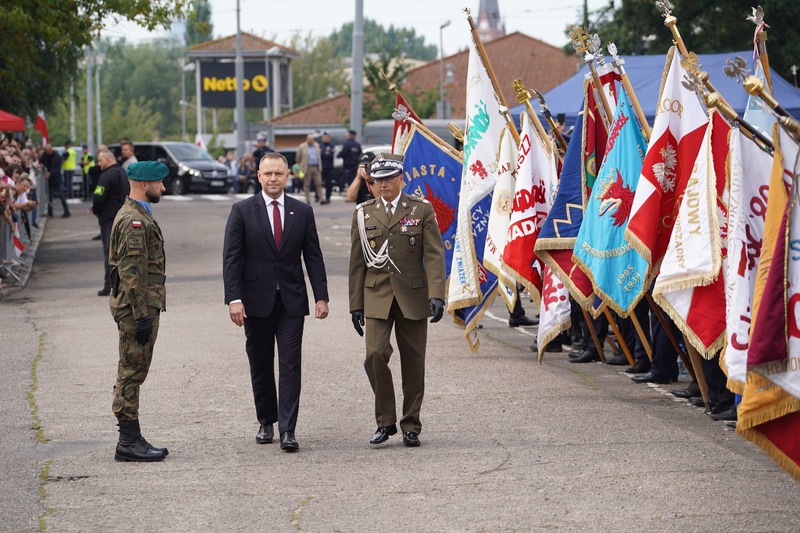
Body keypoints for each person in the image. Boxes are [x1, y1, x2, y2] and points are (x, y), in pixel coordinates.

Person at [223, 152, 329, 452]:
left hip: (292, 301)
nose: (273, 179)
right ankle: (266, 420)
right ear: (258, 176)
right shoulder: (242, 211)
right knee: (260, 362)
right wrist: (234, 298)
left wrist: (321, 295)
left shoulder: (302, 211)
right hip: (255, 302)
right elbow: (232, 259)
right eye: (268, 173)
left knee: (290, 364)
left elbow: (313, 257)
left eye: (278, 174)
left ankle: (288, 429)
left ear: (287, 176)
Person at [348, 154, 446, 447]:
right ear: (373, 183)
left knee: (414, 361)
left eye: (389, 179)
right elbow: (356, 263)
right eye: (378, 180)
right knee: (374, 355)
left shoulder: (420, 209)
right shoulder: (363, 213)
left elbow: (434, 255)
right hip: (376, 292)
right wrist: (355, 305)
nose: (384, 185)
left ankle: (411, 425)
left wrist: (437, 295)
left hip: (413, 293)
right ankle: (385, 421)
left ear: (401, 178)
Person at [108, 160, 169, 462]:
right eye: (160, 183)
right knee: (132, 371)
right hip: (137, 307)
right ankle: (128, 441)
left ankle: (131, 437)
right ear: (145, 184)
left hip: (140, 305)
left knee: (133, 370)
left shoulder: (137, 215)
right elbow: (132, 272)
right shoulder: (134, 221)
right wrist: (141, 313)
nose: (164, 188)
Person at [93, 150, 130, 296]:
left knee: (109, 252)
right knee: (123, 252)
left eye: (100, 161)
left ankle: (109, 285)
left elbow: (98, 196)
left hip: (109, 219)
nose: (98, 164)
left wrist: (96, 210)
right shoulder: (124, 173)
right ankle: (123, 284)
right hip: (124, 217)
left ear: (107, 159)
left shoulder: (106, 176)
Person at [40, 144, 70, 218]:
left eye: (47, 151)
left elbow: (57, 168)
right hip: (49, 179)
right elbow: (41, 161)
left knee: (61, 194)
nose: (47, 153)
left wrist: (50, 173)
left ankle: (66, 211)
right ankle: (50, 212)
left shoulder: (57, 156)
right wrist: (42, 165)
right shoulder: (45, 154)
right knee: (49, 196)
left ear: (51, 150)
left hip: (56, 178)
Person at [296, 134, 324, 205]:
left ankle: (321, 198)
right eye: (309, 139)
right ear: (307, 139)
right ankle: (308, 200)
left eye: (312, 139)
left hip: (316, 167)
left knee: (319, 183)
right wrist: (300, 169)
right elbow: (298, 158)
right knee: (307, 184)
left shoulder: (316, 145)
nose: (311, 141)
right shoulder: (302, 147)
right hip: (306, 168)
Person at [319, 132, 335, 204]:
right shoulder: (320, 145)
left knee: (329, 184)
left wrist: (325, 154)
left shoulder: (331, 145)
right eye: (324, 138)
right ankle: (318, 196)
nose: (326, 139)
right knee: (319, 183)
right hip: (321, 168)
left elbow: (330, 155)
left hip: (329, 168)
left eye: (327, 138)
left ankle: (328, 197)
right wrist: (325, 153)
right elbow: (321, 154)